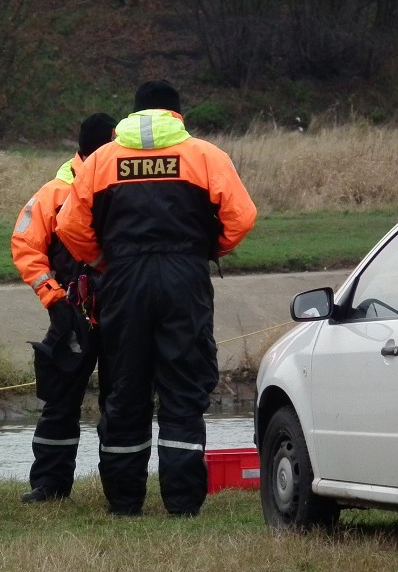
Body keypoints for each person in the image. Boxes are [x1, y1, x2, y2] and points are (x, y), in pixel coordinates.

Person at [55, 80, 257, 517]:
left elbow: (69, 226)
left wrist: (105, 260)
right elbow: (242, 217)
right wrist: (208, 249)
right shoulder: (205, 156)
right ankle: (182, 502)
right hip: (184, 277)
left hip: (123, 279)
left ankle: (124, 501)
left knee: (126, 387)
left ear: (133, 114)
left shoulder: (102, 160)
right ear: (176, 115)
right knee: (182, 386)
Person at [11, 113, 116, 503]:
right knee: (60, 401)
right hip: (71, 311)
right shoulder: (54, 192)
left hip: (120, 309)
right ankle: (49, 485)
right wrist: (53, 298)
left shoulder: (122, 185)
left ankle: (120, 488)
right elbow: (24, 245)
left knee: (120, 401)